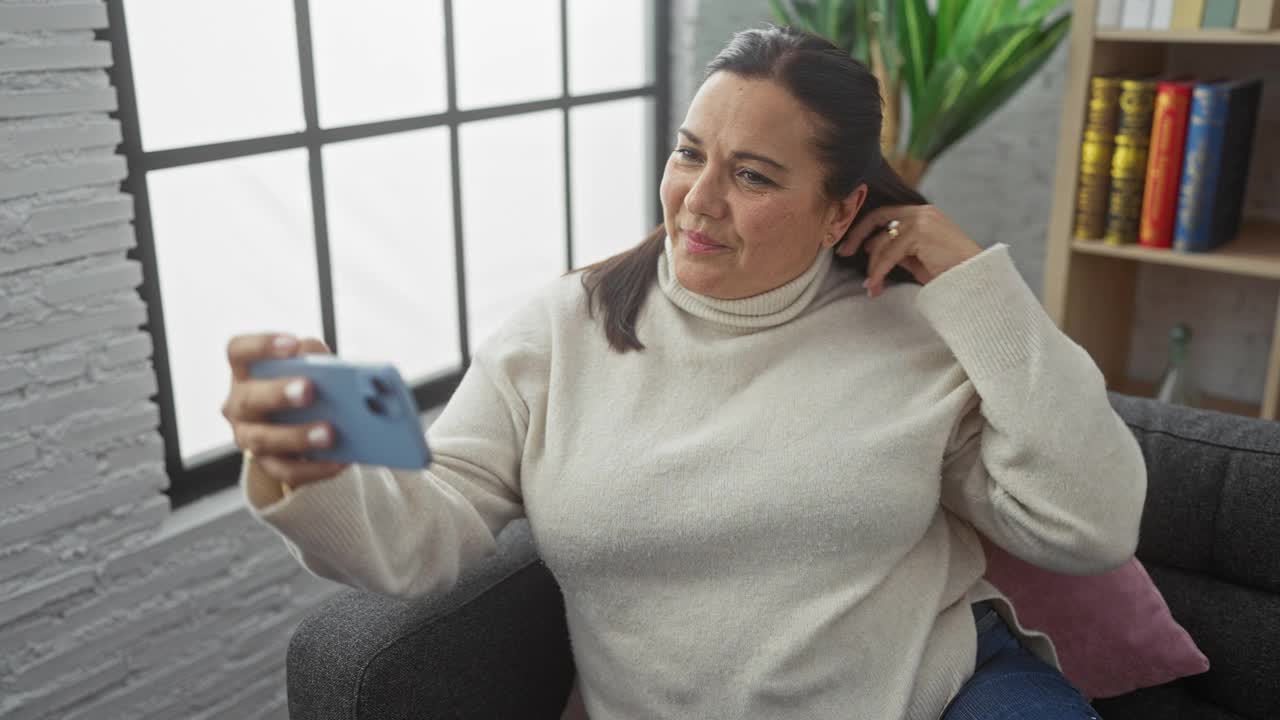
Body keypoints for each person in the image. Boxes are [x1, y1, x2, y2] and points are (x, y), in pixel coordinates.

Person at [222, 25, 1137, 720]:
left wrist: (984, 293)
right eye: (689, 153)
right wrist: (317, 470)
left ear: (841, 209)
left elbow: (1087, 527)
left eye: (753, 176)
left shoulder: (914, 334)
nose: (696, 203)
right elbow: (429, 530)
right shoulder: (565, 328)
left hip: (938, 698)